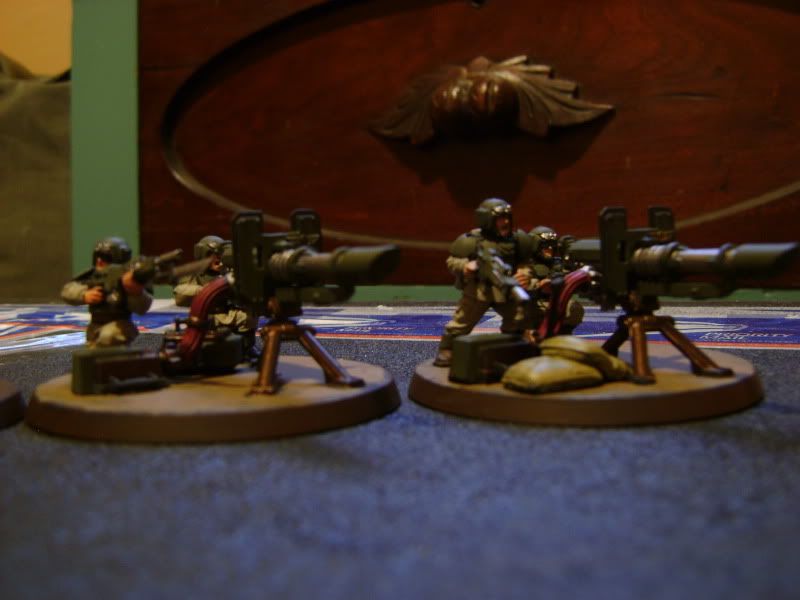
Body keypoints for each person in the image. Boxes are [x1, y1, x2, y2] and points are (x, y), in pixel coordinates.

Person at [433, 198, 536, 367]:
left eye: (507, 217)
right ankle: (448, 349)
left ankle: (512, 345)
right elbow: (452, 261)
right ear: (487, 220)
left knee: (517, 318)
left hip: (506, 289)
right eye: (500, 218)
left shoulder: (518, 240)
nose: (505, 222)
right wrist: (466, 266)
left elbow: (526, 263)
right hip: (479, 290)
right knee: (461, 322)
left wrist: (523, 274)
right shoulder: (472, 240)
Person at [61, 237, 153, 347]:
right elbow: (68, 289)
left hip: (120, 325)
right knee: (92, 350)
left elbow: (142, 307)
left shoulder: (130, 279)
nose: (99, 261)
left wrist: (134, 291)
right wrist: (84, 294)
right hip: (95, 325)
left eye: (105, 258)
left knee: (108, 335)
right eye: (98, 257)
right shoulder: (93, 276)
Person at [173, 235, 254, 337]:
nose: (218, 259)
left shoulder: (229, 272)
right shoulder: (195, 274)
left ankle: (244, 341)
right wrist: (209, 290)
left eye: (220, 254)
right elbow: (180, 296)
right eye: (212, 255)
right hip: (206, 316)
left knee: (249, 317)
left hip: (230, 314)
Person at [527, 225, 584, 335]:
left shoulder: (559, 264)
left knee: (574, 308)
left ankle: (563, 334)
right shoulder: (526, 265)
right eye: (545, 247)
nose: (549, 249)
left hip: (554, 300)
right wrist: (538, 285)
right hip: (533, 302)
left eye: (551, 247)